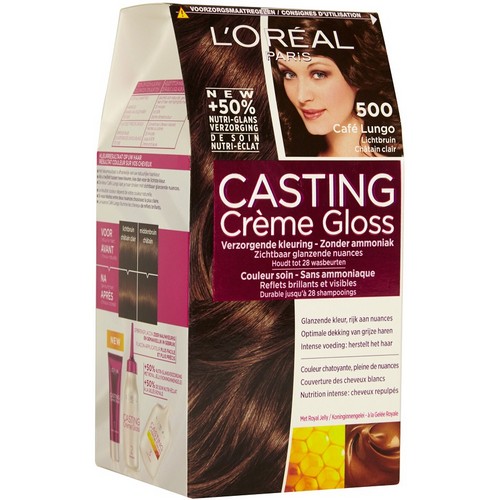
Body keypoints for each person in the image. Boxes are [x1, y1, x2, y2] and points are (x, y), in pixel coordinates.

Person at [269, 16, 403, 157]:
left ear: (356, 71)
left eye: (319, 74)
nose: (301, 97)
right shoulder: (289, 158)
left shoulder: (398, 158)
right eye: (289, 74)